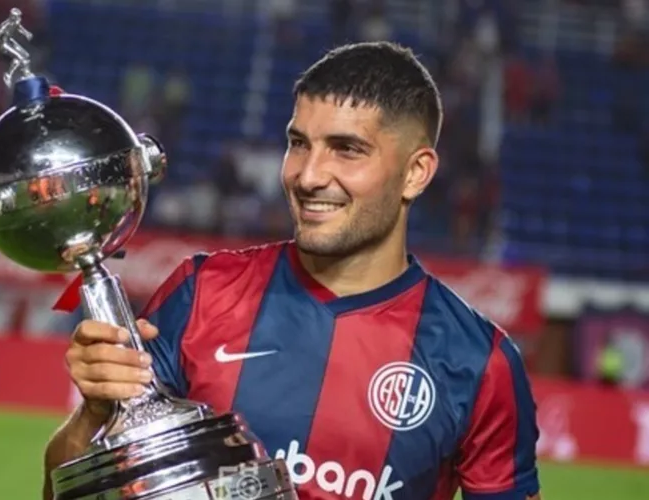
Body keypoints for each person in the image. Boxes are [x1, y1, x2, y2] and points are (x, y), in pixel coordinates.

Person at [43, 41, 541, 500]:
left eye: (346, 149)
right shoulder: (202, 294)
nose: (308, 175)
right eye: (299, 143)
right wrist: (95, 414)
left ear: (416, 173)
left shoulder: (479, 362)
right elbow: (70, 490)